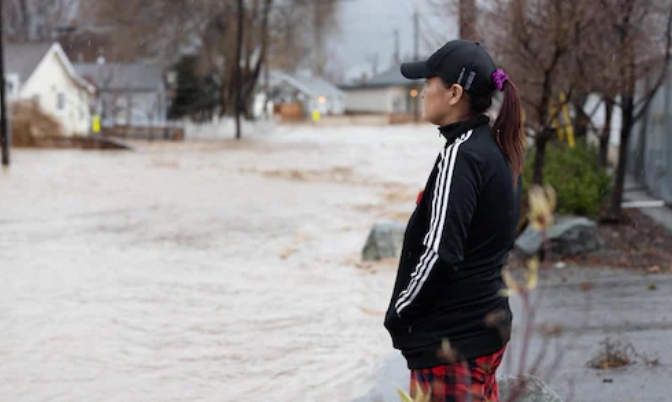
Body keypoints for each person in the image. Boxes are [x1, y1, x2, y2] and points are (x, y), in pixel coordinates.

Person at [383, 40, 525, 402]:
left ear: (454, 93)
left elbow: (440, 254)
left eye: (429, 83)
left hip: (452, 342)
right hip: (484, 328)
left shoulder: (461, 156)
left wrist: (401, 309)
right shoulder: (498, 150)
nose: (422, 92)